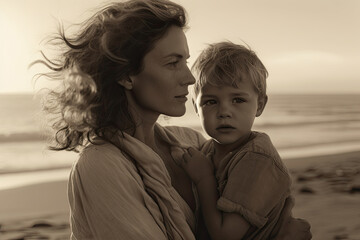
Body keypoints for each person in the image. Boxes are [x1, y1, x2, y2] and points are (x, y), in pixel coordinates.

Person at [34, 0, 311, 239]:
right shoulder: (101, 167)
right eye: (173, 63)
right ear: (126, 75)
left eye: (186, 61)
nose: (189, 78)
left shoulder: (190, 143)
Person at [180, 41, 310, 239]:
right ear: (196, 107)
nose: (224, 112)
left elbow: (226, 236)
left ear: (259, 105)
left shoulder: (257, 158)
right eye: (211, 101)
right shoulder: (207, 151)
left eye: (238, 100)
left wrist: (204, 179)